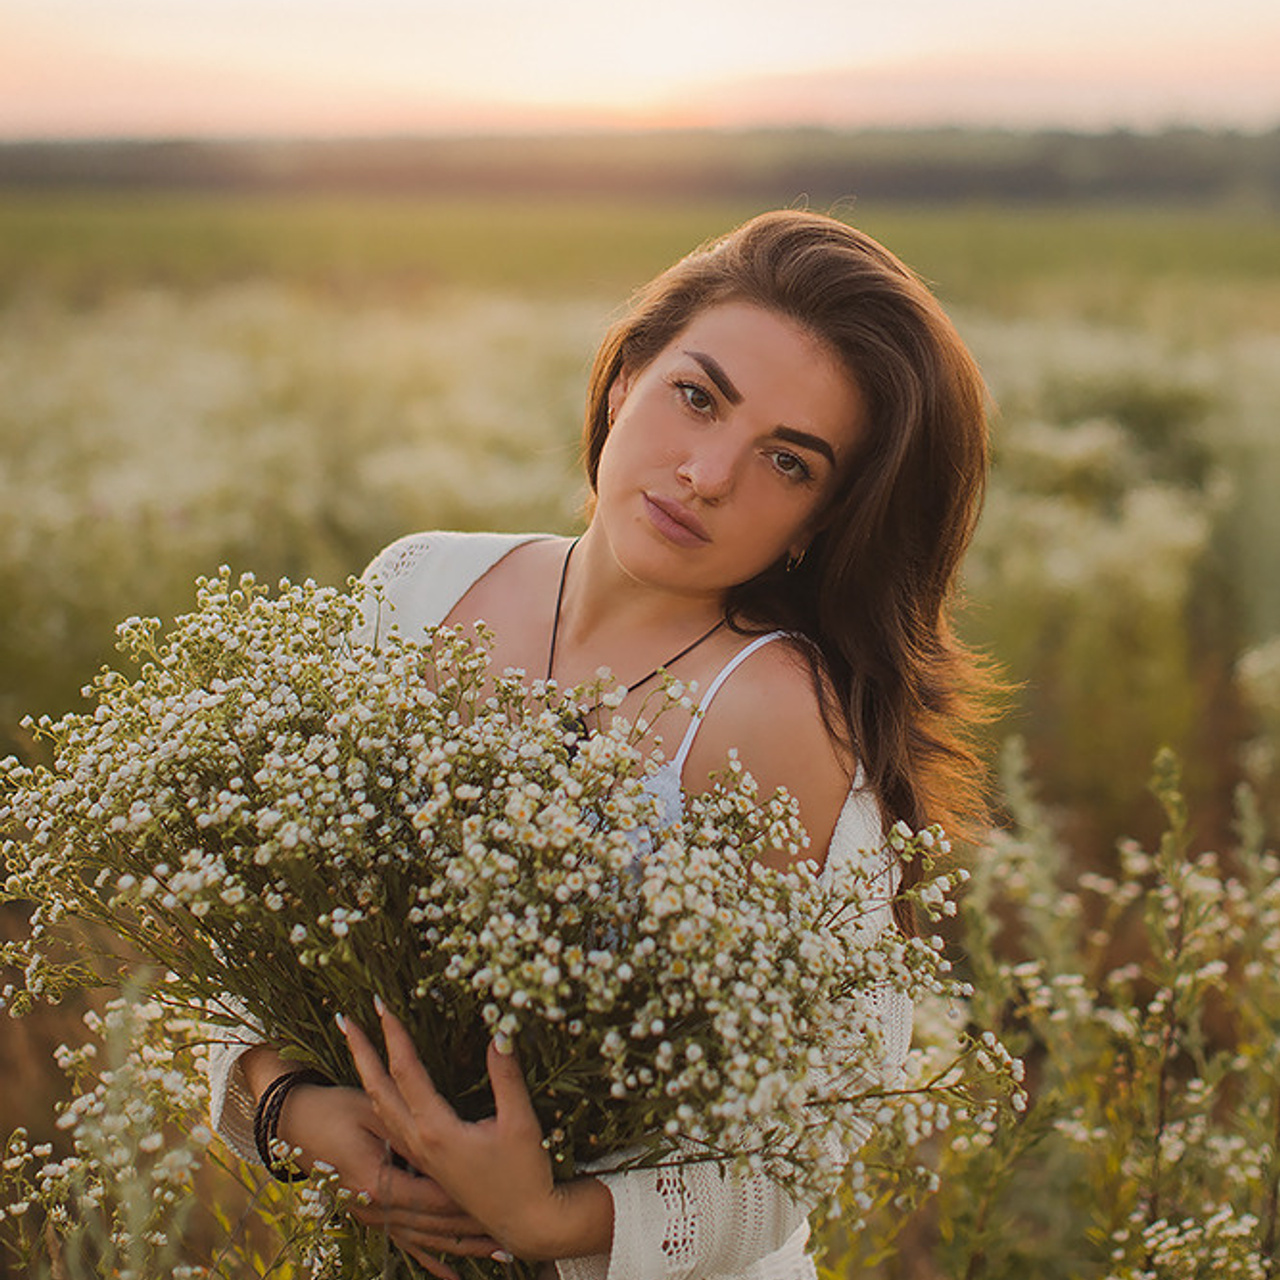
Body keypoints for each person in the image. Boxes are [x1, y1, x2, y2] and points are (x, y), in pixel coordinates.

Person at [205, 209, 996, 1280]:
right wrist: (287, 1104)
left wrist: (552, 1220)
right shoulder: (417, 585)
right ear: (625, 379)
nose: (707, 473)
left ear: (819, 522)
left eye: (787, 461)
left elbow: (814, 1126)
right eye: (697, 397)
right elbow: (244, 919)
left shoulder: (775, 717)